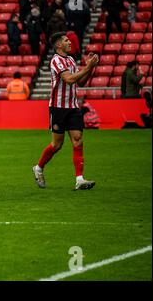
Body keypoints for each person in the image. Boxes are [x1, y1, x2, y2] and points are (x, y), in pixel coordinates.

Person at [32, 32, 99, 191]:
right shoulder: (56, 60)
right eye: (66, 40)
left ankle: (79, 179)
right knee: (57, 144)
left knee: (78, 139)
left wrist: (90, 68)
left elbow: (80, 82)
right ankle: (38, 167)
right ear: (58, 45)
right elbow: (69, 79)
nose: (70, 42)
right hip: (58, 108)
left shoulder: (70, 60)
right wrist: (88, 67)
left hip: (73, 107)